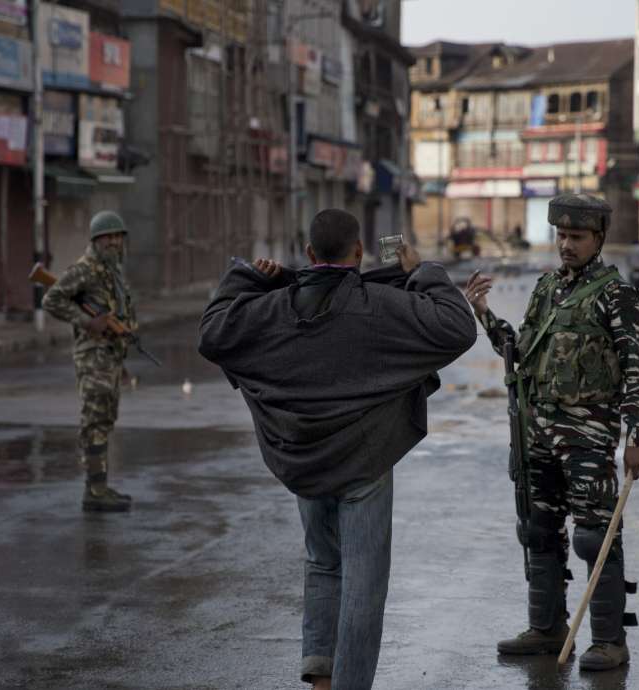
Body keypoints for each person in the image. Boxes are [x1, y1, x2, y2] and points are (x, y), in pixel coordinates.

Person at [197, 209, 476, 689]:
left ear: (308, 254)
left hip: (304, 460)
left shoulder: (276, 307)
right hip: (364, 465)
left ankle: (321, 675)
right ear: (360, 253)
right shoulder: (380, 305)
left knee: (323, 563)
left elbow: (214, 330)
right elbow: (456, 325)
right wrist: (421, 269)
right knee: (363, 588)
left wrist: (245, 276)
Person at [464, 193, 639, 671]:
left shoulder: (617, 295)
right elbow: (520, 352)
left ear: (598, 238)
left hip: (588, 434)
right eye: (562, 235)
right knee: (538, 528)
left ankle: (610, 641)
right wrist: (483, 312)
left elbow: (636, 372)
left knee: (595, 536)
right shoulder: (547, 288)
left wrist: (637, 440)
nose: (566, 245)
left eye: (577, 237)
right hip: (538, 431)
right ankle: (547, 628)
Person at [42, 210, 137, 512]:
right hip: (92, 359)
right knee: (93, 422)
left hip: (109, 358)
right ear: (96, 241)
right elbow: (51, 299)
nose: (113, 242)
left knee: (105, 421)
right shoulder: (84, 270)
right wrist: (86, 322)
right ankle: (93, 491)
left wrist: (121, 362)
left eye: (117, 237)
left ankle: (100, 487)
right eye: (107, 237)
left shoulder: (112, 273)